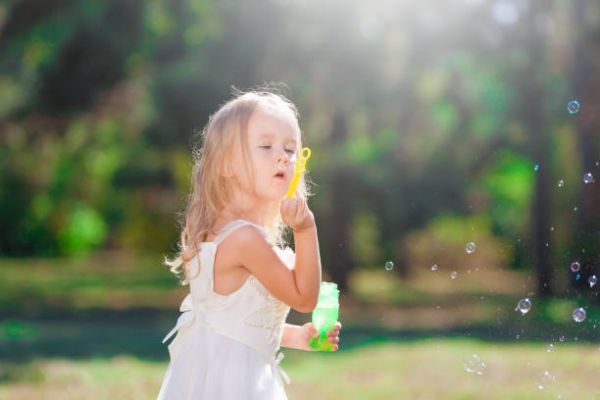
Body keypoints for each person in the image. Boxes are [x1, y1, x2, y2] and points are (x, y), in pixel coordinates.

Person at [157, 88, 342, 399]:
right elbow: (305, 298)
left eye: (291, 148)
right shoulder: (246, 239)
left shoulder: (222, 231)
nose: (283, 155)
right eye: (266, 146)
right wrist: (306, 229)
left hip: (212, 378)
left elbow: (233, 325)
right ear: (227, 164)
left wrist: (298, 337)